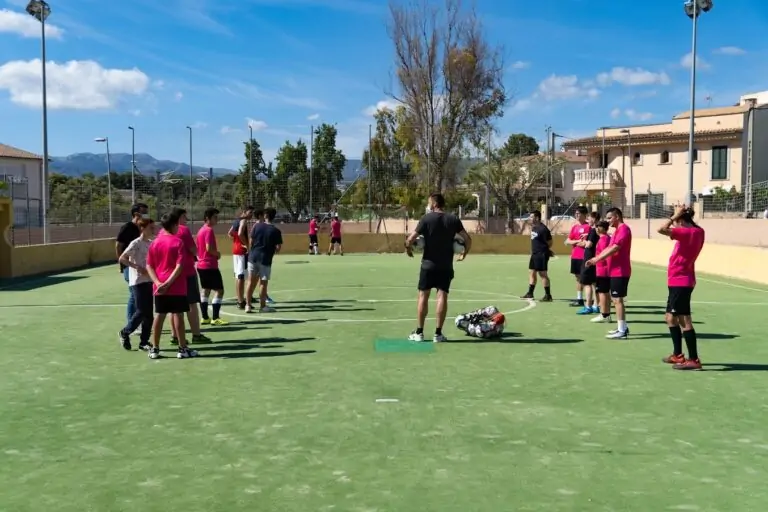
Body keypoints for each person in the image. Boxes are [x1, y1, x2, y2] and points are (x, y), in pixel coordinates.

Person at [404, 193, 472, 343]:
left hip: (428, 265)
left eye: (429, 203)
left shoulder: (426, 219)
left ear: (434, 204)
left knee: (423, 296)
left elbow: (410, 239)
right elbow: (467, 239)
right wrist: (464, 254)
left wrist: (408, 249)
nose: (428, 206)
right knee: (442, 296)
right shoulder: (453, 219)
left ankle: (419, 333)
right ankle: (438, 334)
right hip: (445, 266)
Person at [657, 204, 706, 370]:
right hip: (678, 280)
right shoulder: (698, 231)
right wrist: (680, 214)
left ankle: (694, 359)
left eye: (675, 222)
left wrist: (675, 215)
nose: (673, 225)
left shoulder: (686, 232)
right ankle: (678, 355)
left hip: (681, 281)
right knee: (670, 318)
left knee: (684, 320)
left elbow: (661, 229)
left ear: (680, 221)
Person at [145, 213, 197, 360]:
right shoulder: (178, 242)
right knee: (178, 316)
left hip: (160, 286)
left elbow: (149, 265)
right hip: (177, 287)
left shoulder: (154, 243)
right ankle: (182, 349)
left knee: (159, 316)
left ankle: (155, 349)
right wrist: (168, 283)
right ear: (174, 225)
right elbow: (179, 266)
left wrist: (157, 283)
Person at [585, 207, 632, 339]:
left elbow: (615, 247)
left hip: (620, 270)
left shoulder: (624, 229)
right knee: (616, 299)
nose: (607, 221)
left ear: (617, 216)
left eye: (610, 218)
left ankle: (622, 330)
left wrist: (596, 259)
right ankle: (621, 327)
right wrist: (597, 259)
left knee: (618, 300)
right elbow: (610, 248)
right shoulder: (617, 231)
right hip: (614, 271)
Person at [167, 208, 210, 345]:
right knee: (191, 304)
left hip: (170, 274)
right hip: (186, 272)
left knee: (173, 307)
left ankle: (175, 336)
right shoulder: (183, 230)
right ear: (178, 218)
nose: (186, 220)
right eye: (184, 217)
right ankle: (196, 335)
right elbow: (194, 250)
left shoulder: (162, 232)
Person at [117, 217, 155, 352]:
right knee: (141, 311)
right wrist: (136, 267)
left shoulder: (151, 243)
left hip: (149, 280)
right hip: (138, 282)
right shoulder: (136, 243)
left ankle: (144, 342)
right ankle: (125, 332)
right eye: (151, 227)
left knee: (149, 314)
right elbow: (122, 258)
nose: (153, 229)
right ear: (142, 228)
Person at [115, 203, 149, 324]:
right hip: (129, 266)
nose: (146, 214)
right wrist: (122, 263)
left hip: (140, 266)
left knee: (141, 295)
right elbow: (118, 245)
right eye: (144, 211)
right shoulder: (127, 227)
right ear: (136, 214)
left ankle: (140, 321)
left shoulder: (142, 227)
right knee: (134, 295)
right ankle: (132, 322)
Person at [246, 207, 283, 313]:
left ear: (265, 216)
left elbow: (251, 241)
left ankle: (248, 305)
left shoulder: (256, 226)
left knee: (250, 281)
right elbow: (278, 248)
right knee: (263, 282)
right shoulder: (276, 231)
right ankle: (262, 306)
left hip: (253, 257)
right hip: (265, 259)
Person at [197, 207, 228, 326]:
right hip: (209, 265)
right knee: (219, 291)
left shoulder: (201, 230)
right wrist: (217, 254)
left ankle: (205, 317)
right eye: (215, 217)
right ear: (207, 218)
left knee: (205, 290)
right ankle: (215, 317)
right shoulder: (208, 230)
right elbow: (209, 248)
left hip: (201, 265)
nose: (217, 219)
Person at [521, 210, 552, 301]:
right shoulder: (534, 228)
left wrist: (545, 250)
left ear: (537, 218)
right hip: (534, 254)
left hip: (541, 254)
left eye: (531, 217)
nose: (530, 218)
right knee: (532, 272)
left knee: (542, 274)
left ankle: (548, 295)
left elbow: (550, 242)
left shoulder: (543, 229)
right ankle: (530, 293)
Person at [228, 206, 253, 309]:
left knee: (239, 276)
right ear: (244, 212)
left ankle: (240, 298)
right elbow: (240, 233)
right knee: (241, 277)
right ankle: (241, 301)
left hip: (236, 250)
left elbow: (230, 233)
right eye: (250, 212)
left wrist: (236, 242)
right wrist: (246, 245)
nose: (251, 215)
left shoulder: (236, 221)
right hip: (242, 252)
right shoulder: (243, 221)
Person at [565, 206, 590, 307]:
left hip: (584, 257)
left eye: (578, 214)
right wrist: (577, 241)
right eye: (576, 214)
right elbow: (567, 241)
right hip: (575, 256)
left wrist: (581, 242)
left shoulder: (588, 227)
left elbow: (586, 243)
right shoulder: (574, 227)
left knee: (586, 279)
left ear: (584, 215)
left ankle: (592, 300)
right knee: (578, 278)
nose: (576, 215)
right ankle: (579, 299)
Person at [576, 211, 600, 315]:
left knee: (587, 284)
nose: (587, 220)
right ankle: (596, 305)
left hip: (589, 259)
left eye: (589, 218)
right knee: (595, 283)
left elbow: (589, 245)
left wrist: (584, 242)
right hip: (596, 259)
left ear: (594, 219)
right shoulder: (599, 230)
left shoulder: (593, 231)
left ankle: (588, 306)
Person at [590, 220, 613, 324]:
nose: (596, 228)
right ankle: (607, 314)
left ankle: (604, 314)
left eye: (598, 226)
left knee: (602, 293)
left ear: (602, 228)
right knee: (605, 293)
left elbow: (604, 255)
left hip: (603, 270)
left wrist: (594, 261)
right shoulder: (606, 238)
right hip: (604, 270)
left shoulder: (603, 239)